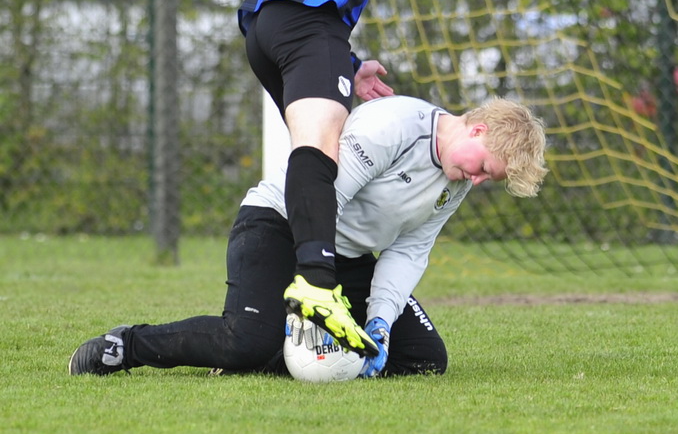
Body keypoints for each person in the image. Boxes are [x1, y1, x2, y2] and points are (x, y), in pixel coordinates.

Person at [237, 0, 533, 358]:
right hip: (310, 21)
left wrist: (347, 62)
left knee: (318, 155)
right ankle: (315, 284)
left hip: (266, 25)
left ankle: (265, 315)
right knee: (319, 151)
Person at [68, 94, 546, 380]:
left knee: (423, 359)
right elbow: (321, 200)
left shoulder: (455, 179)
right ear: (477, 128)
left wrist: (378, 322)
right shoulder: (395, 125)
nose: (478, 181)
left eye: (491, 179)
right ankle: (125, 346)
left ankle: (282, 356)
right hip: (279, 225)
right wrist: (311, 282)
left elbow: (410, 249)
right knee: (243, 343)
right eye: (485, 168)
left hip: (346, 256)